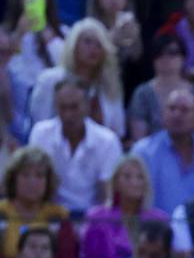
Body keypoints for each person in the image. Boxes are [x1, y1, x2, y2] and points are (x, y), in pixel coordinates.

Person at [27, 76, 122, 215]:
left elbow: (108, 194)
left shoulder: (108, 141)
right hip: (48, 215)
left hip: (93, 218)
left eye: (74, 107)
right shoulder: (40, 133)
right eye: (62, 107)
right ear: (55, 106)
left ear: (88, 105)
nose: (68, 114)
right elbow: (33, 184)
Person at [79, 153, 168, 258]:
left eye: (140, 177)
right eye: (127, 177)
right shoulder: (97, 217)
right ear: (115, 182)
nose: (134, 182)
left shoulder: (160, 219)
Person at [133, 87, 194, 216]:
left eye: (184, 110)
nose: (176, 115)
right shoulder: (143, 152)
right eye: (172, 109)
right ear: (162, 114)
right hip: (157, 231)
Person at [0, 147, 75, 258]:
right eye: (25, 175)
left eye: (39, 176)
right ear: (13, 179)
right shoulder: (1, 212)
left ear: (48, 181)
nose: (32, 182)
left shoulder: (58, 216)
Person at [127, 32, 194, 142]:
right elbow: (139, 139)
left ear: (183, 58)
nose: (166, 58)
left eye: (172, 52)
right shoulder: (142, 94)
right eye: (159, 53)